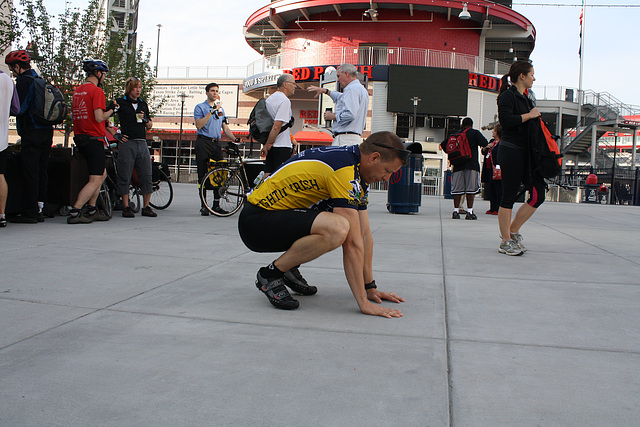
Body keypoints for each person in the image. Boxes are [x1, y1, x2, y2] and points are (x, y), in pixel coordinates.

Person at [238, 131, 407, 318]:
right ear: (374, 158)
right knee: (338, 228)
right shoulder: (344, 169)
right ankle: (271, 274)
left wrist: (370, 288)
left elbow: (365, 236)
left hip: (277, 218)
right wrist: (364, 303)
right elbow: (352, 243)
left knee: (343, 225)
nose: (386, 179)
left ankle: (288, 267)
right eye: (388, 171)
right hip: (255, 222)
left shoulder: (355, 170)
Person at [496, 60, 543, 256]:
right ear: (522, 76)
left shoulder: (527, 98)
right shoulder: (508, 96)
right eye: (532, 74)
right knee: (509, 195)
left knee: (538, 194)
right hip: (511, 149)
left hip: (527, 153)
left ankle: (513, 231)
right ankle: (505, 240)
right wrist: (530, 116)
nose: (534, 77)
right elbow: (506, 122)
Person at [67, 59, 118, 224]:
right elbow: (99, 117)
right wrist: (111, 109)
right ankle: (75, 211)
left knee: (101, 174)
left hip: (81, 137)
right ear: (98, 73)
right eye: (104, 74)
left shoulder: (78, 91)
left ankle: (92, 208)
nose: (104, 77)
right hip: (94, 138)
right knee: (95, 178)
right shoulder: (96, 92)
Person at [4, 50, 53, 223]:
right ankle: (40, 207)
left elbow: (20, 108)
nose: (12, 71)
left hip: (32, 131)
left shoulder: (24, 82)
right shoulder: (39, 79)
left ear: (17, 66)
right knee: (42, 170)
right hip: (47, 131)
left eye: (12, 68)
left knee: (30, 171)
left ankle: (30, 212)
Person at [194, 82, 241, 215]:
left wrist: (234, 138)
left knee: (219, 174)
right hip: (203, 142)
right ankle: (204, 206)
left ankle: (216, 205)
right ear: (207, 92)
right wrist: (211, 111)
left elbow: (225, 127)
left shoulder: (221, 109)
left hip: (215, 143)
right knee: (203, 174)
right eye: (212, 91)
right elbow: (199, 125)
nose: (215, 93)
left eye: (217, 91)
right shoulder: (200, 107)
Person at [113, 77, 156, 218]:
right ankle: (126, 206)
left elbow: (150, 125)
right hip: (127, 142)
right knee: (124, 173)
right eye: (135, 87)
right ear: (129, 88)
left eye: (139, 87)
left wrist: (145, 120)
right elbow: (109, 120)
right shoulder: (120, 102)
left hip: (141, 141)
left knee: (146, 174)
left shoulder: (143, 104)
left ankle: (146, 206)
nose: (138, 90)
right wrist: (116, 134)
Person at [308, 63, 369, 146]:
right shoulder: (360, 89)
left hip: (345, 139)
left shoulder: (351, 89)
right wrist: (326, 91)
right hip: (352, 138)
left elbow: (350, 114)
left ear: (346, 74)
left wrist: (333, 116)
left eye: (339, 76)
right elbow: (342, 97)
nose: (338, 80)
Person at [442, 117, 488, 220]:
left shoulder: (454, 135)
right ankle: (470, 212)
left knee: (457, 190)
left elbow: (444, 145)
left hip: (457, 166)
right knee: (470, 190)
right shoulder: (474, 133)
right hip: (471, 165)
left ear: (462, 125)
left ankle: (455, 211)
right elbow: (484, 143)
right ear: (471, 125)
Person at [260, 73, 297, 179]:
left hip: (272, 146)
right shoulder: (284, 101)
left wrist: (267, 145)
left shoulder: (270, 99)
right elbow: (277, 126)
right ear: (285, 84)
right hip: (281, 146)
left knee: (267, 176)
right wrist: (268, 144)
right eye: (293, 84)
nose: (295, 86)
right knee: (280, 179)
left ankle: (259, 195)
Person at [0, 67, 20, 228]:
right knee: (0, 175)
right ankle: (2, 214)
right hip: (2, 138)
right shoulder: (8, 81)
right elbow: (16, 109)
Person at [481, 123, 503, 215]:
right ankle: (492, 207)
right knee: (491, 189)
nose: (493, 132)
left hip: (497, 169)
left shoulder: (502, 142)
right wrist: (486, 148)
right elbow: (484, 152)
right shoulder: (492, 141)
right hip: (489, 168)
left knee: (498, 189)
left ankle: (498, 208)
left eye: (494, 131)